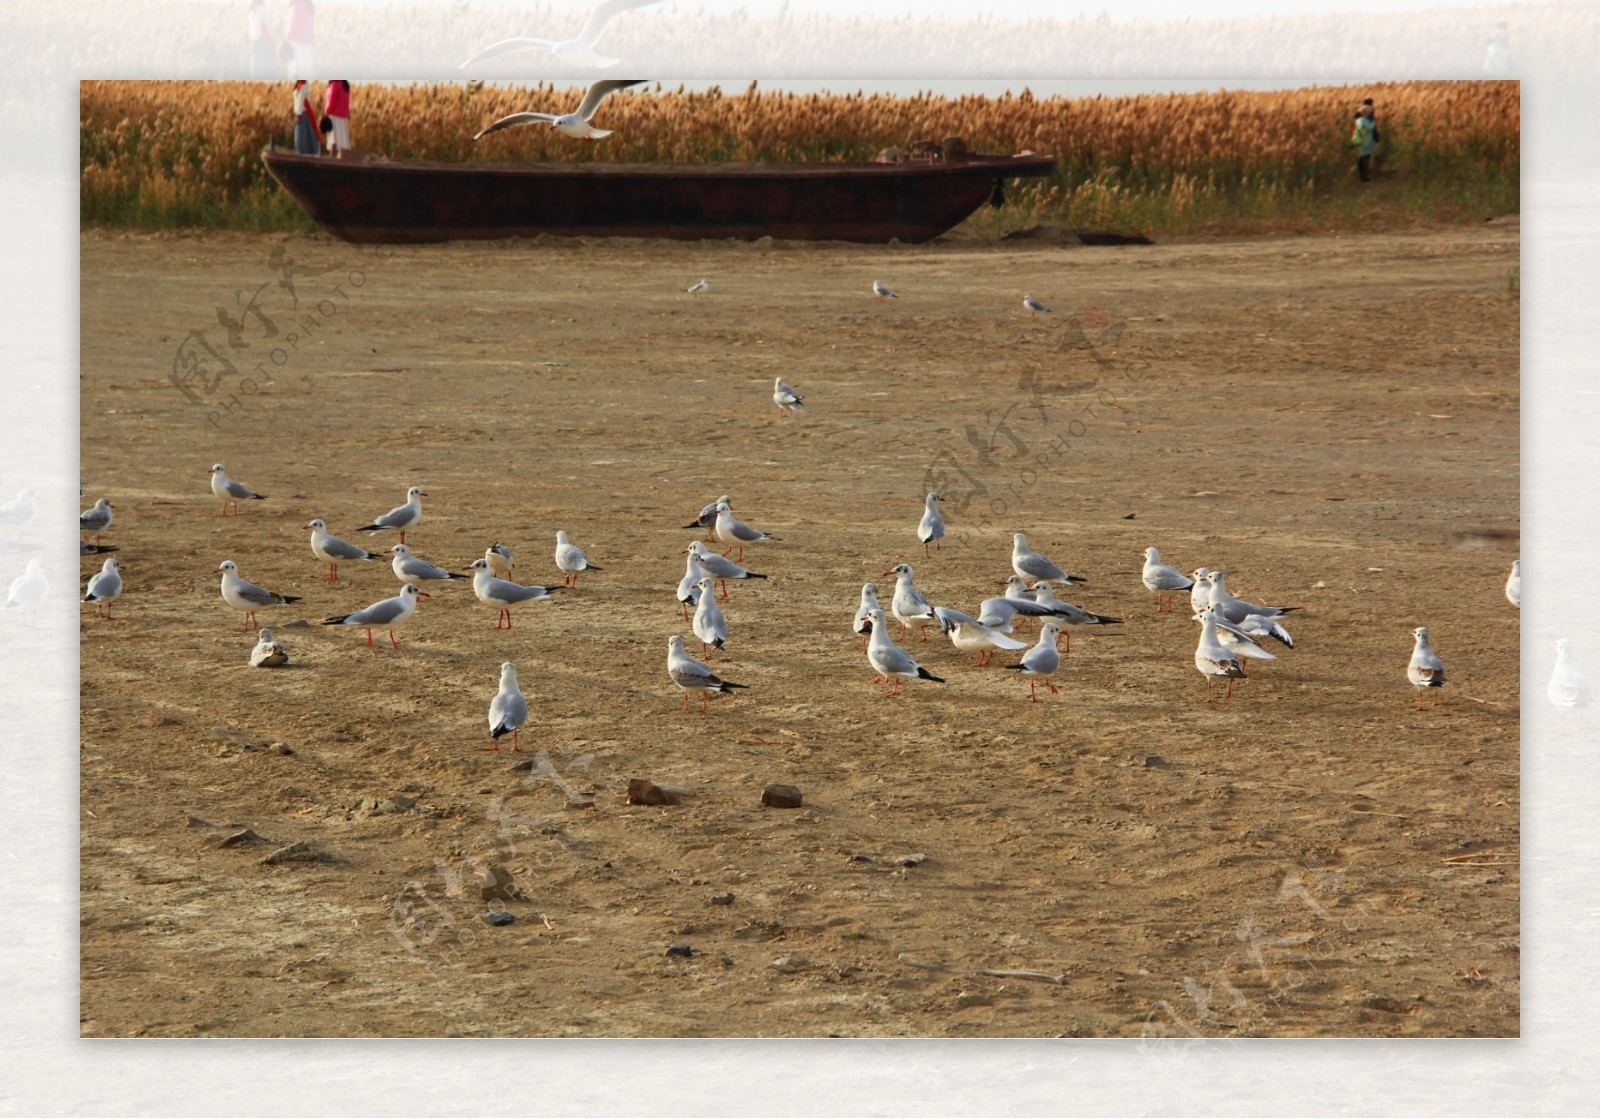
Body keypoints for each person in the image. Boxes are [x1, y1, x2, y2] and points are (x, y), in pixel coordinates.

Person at [247, 0, 281, 79]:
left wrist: (255, 41)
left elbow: (260, 26)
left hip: (260, 41)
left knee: (259, 69)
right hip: (255, 41)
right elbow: (253, 25)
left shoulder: (262, 7)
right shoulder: (254, 5)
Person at [284, 0, 315, 79]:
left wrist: (286, 39)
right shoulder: (309, 5)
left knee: (295, 71)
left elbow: (293, 25)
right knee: (307, 72)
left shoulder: (297, 5)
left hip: (297, 43)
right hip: (308, 44)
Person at [1351, 99, 1379, 182]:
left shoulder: (1358, 121)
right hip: (1366, 140)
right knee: (1365, 158)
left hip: (1362, 139)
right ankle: (1364, 177)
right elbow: (1370, 127)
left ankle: (1362, 175)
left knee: (1362, 157)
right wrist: (1374, 122)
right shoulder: (1363, 120)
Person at [323, 79, 351, 157]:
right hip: (343, 117)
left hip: (334, 116)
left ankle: (334, 158)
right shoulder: (345, 85)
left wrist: (326, 112)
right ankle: (343, 158)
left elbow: (331, 101)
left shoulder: (334, 84)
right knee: (342, 140)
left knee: (334, 140)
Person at [292, 79, 321, 155]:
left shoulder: (303, 86)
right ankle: (301, 151)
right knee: (302, 134)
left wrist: (298, 114)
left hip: (303, 113)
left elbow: (301, 101)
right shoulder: (299, 85)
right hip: (300, 112)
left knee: (302, 134)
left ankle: (303, 152)